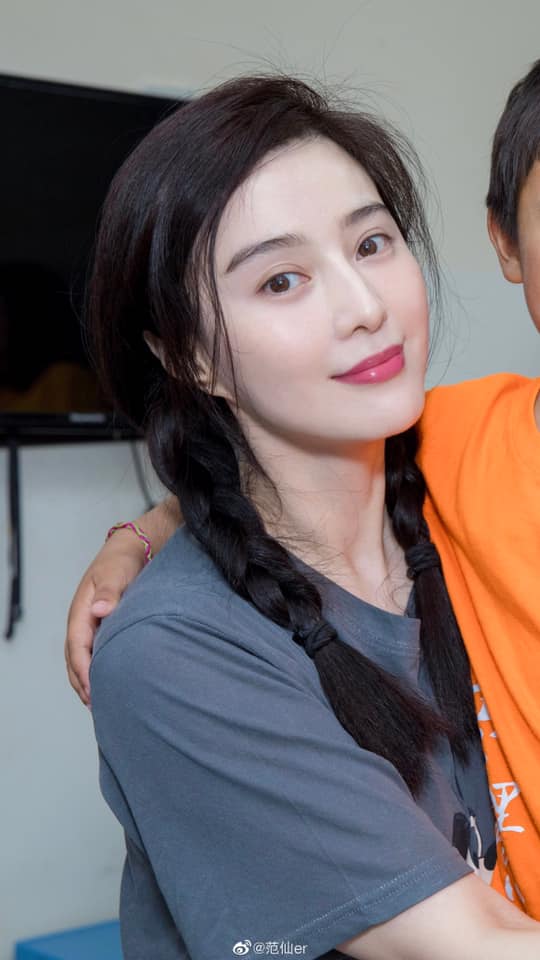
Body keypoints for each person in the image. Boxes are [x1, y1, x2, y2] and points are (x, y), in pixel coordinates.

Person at [66, 62, 540, 921]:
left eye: (372, 244)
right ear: (189, 354)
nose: (363, 307)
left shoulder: (449, 488)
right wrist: (143, 544)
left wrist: (141, 531)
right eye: (280, 280)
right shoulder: (176, 654)